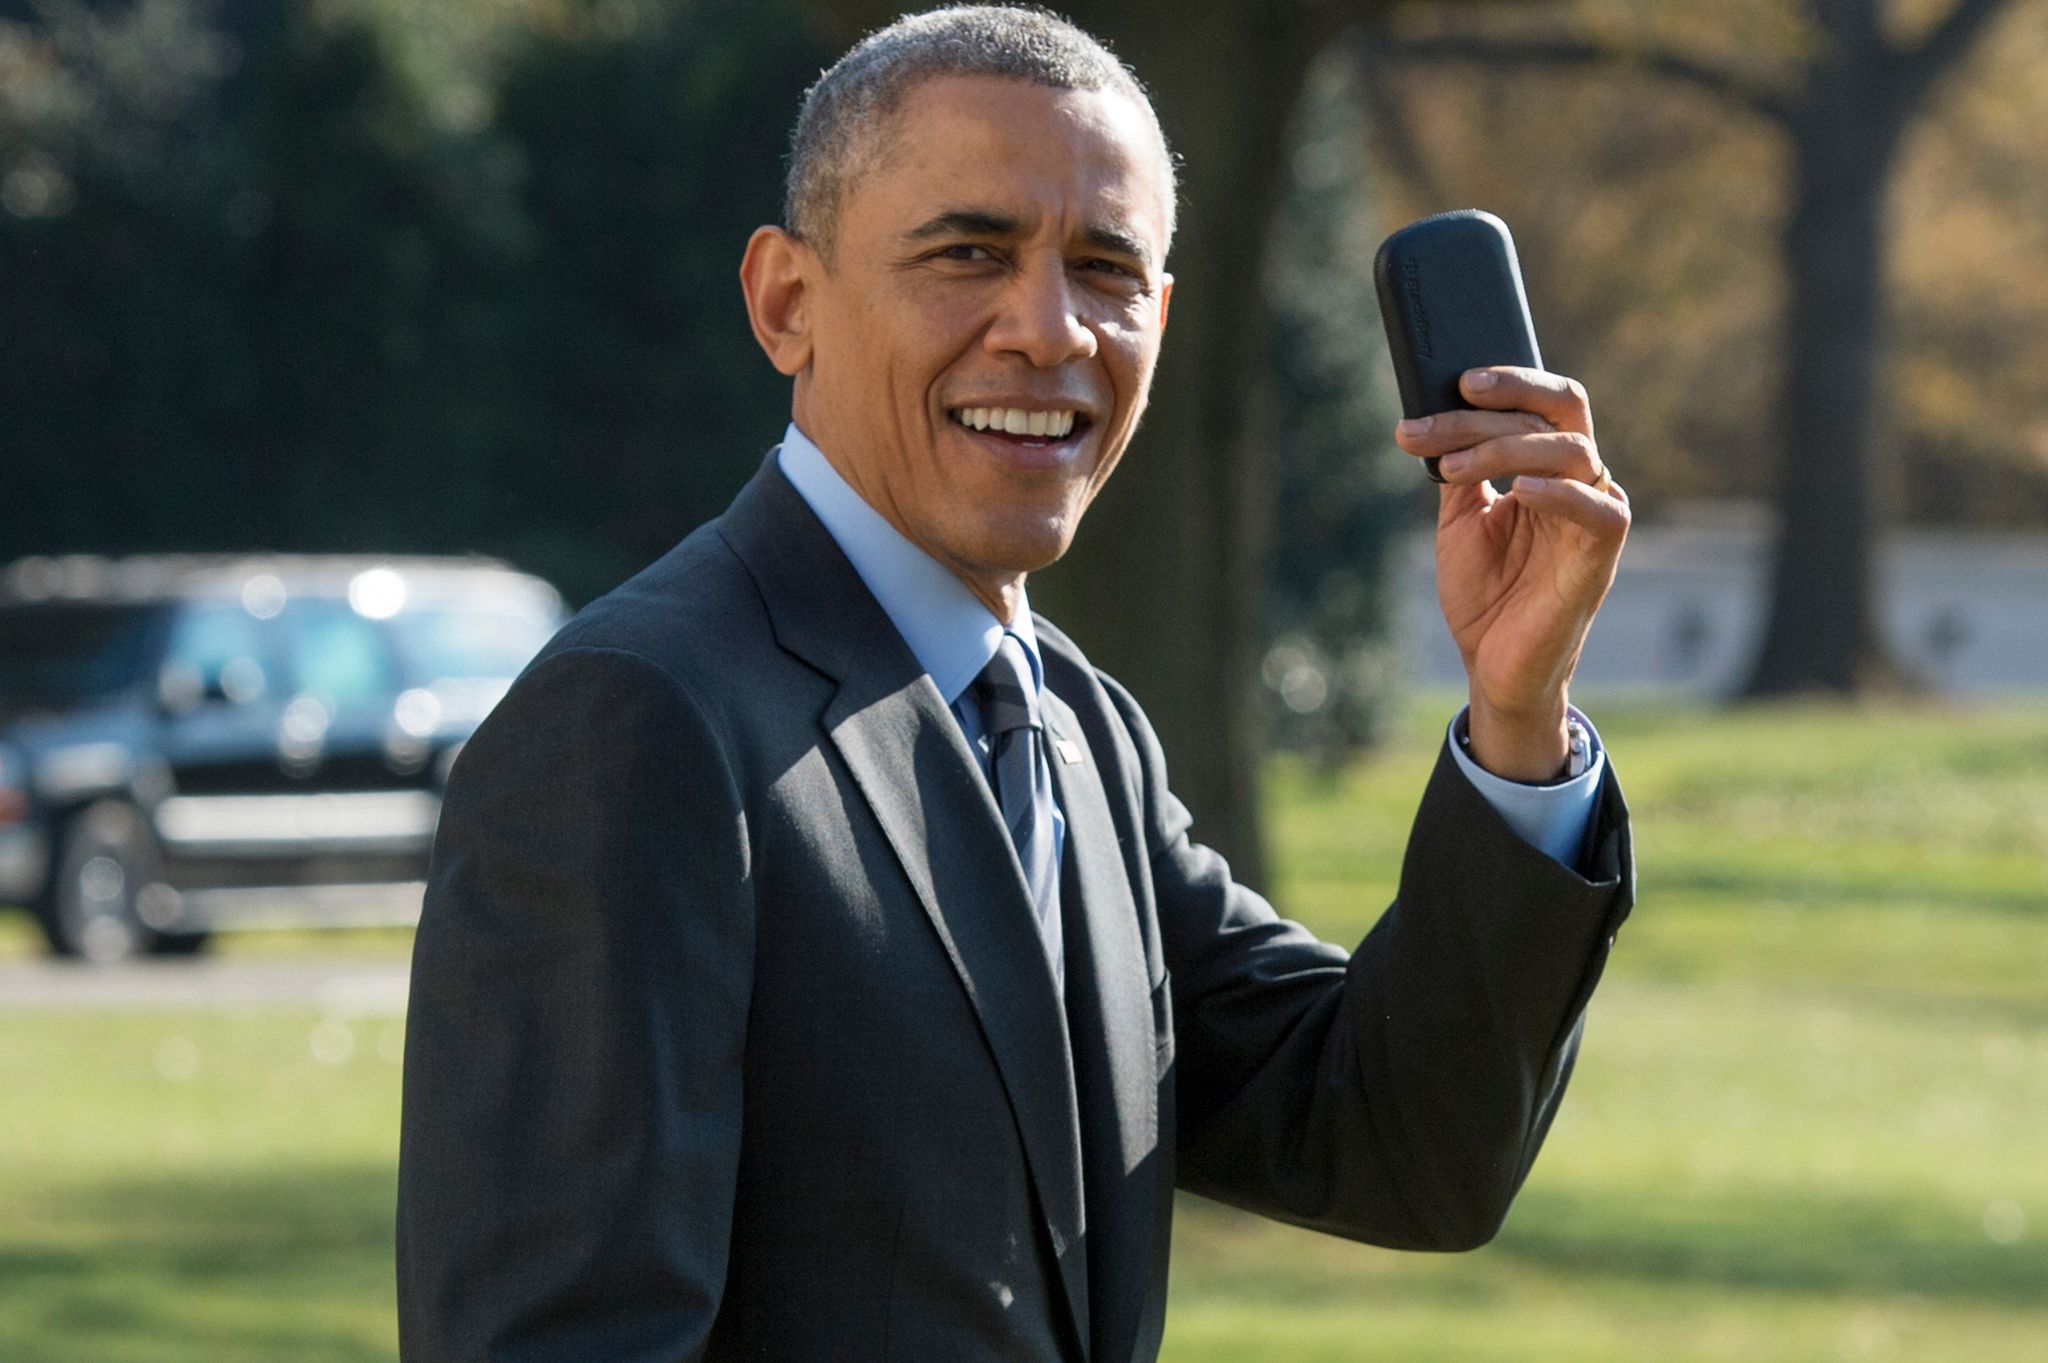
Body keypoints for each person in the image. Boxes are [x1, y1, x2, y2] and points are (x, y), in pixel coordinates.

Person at [395, 7, 1635, 1362]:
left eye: (1105, 270)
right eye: (968, 253)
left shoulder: (1081, 729)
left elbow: (1400, 1145)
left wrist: (1518, 716)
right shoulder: (638, 721)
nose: (1050, 331)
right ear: (787, 302)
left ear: (1160, 320)